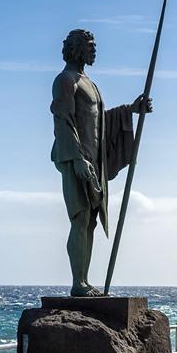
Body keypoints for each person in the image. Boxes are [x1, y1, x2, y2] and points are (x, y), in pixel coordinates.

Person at [51, 29, 151, 297]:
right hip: (75, 158)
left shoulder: (90, 83)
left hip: (94, 160)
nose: (94, 50)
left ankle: (84, 280)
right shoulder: (65, 80)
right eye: (90, 46)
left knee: (90, 221)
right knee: (80, 217)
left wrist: (130, 110)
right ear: (76, 48)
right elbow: (63, 121)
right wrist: (77, 159)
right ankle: (78, 283)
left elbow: (98, 120)